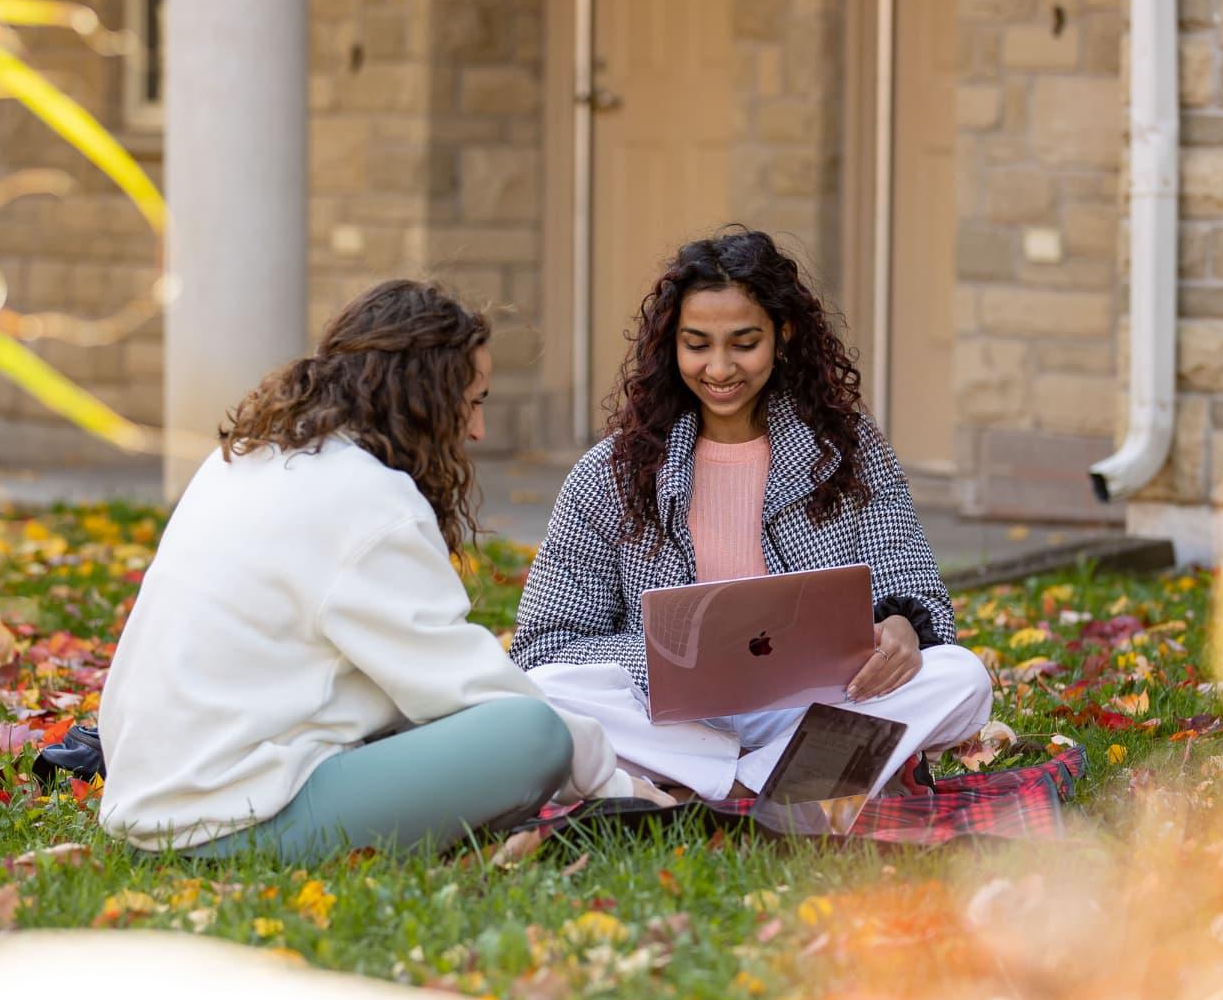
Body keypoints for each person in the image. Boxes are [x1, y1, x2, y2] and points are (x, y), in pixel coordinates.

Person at [97, 280, 670, 861]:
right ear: (423, 398)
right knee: (533, 735)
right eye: (473, 402)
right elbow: (471, 691)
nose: (478, 431)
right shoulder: (365, 499)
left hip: (155, 804)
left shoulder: (248, 458)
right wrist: (621, 787)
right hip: (228, 825)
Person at [511, 229, 992, 802]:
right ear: (671, 346)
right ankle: (778, 780)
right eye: (697, 344)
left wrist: (903, 629)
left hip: (807, 708)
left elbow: (917, 593)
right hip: (671, 719)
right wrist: (670, 661)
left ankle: (722, 786)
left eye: (743, 343)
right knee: (544, 691)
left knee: (961, 677)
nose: (719, 368)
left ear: (782, 336)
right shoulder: (610, 472)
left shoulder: (847, 450)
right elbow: (543, 644)